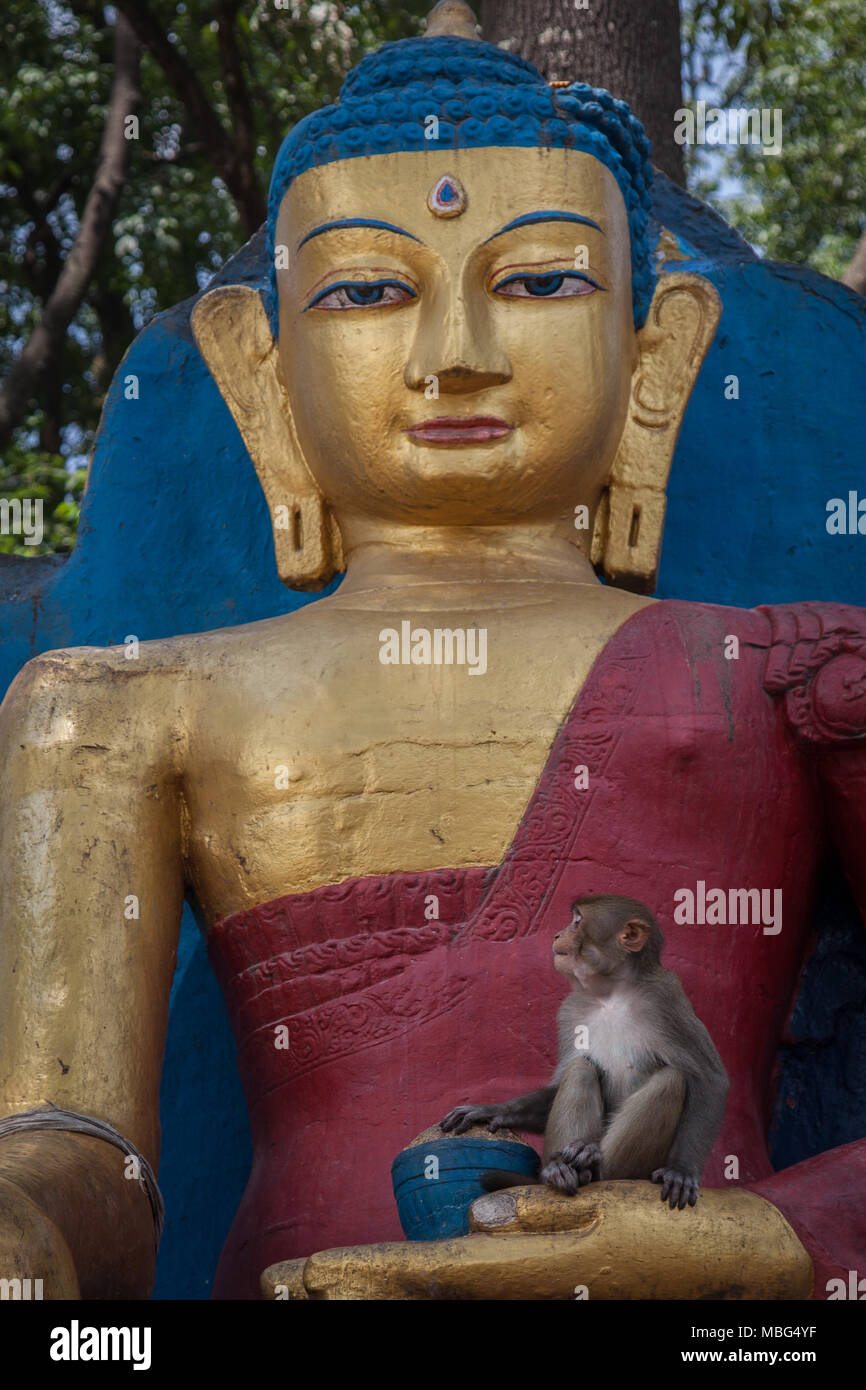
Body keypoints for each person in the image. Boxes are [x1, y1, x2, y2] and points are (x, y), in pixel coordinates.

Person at [1, 1, 863, 1300]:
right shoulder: (118, 711)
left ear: (654, 359)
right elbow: (83, 1155)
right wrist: (28, 1230)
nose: (452, 356)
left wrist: (760, 1240)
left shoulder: (799, 675)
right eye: (365, 292)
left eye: (537, 283)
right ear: (262, 376)